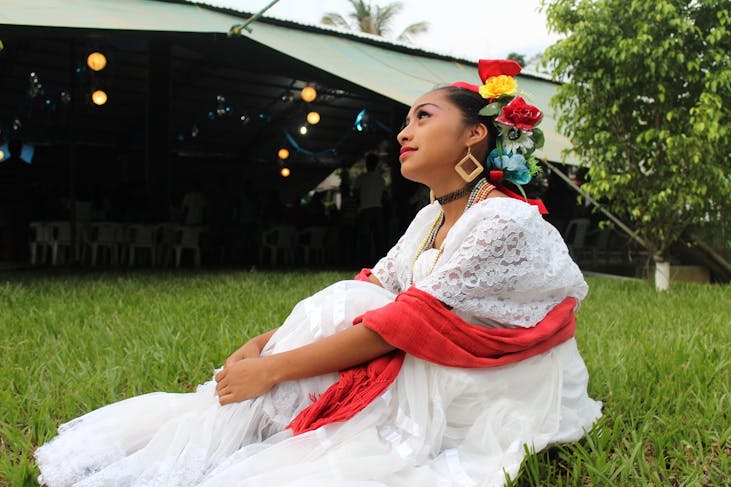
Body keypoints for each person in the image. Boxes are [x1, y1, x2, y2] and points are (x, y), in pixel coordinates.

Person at [35, 59, 601, 486]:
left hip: (491, 381)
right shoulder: (432, 214)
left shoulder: (503, 218)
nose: (403, 133)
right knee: (347, 299)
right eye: (405, 120)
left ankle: (261, 415)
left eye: (423, 117)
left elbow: (397, 325)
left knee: (340, 336)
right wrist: (257, 349)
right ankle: (252, 417)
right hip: (429, 350)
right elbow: (372, 292)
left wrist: (274, 369)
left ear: (476, 133)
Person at [355, 152, 387, 264]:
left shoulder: (361, 179)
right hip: (377, 209)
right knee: (378, 238)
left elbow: (356, 194)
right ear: (376, 164)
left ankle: (364, 261)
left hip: (365, 210)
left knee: (365, 238)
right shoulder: (380, 179)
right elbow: (384, 196)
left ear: (367, 164)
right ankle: (380, 262)